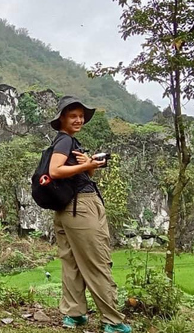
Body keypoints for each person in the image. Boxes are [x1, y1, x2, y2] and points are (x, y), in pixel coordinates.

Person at [47, 96, 131, 333]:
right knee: (97, 262)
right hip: (81, 207)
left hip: (66, 209)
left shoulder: (68, 143)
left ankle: (74, 315)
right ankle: (112, 321)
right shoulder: (65, 142)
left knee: (72, 262)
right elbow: (55, 170)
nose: (79, 119)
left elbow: (75, 175)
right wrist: (86, 166)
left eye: (81, 116)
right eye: (73, 115)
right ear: (62, 118)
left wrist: (89, 166)